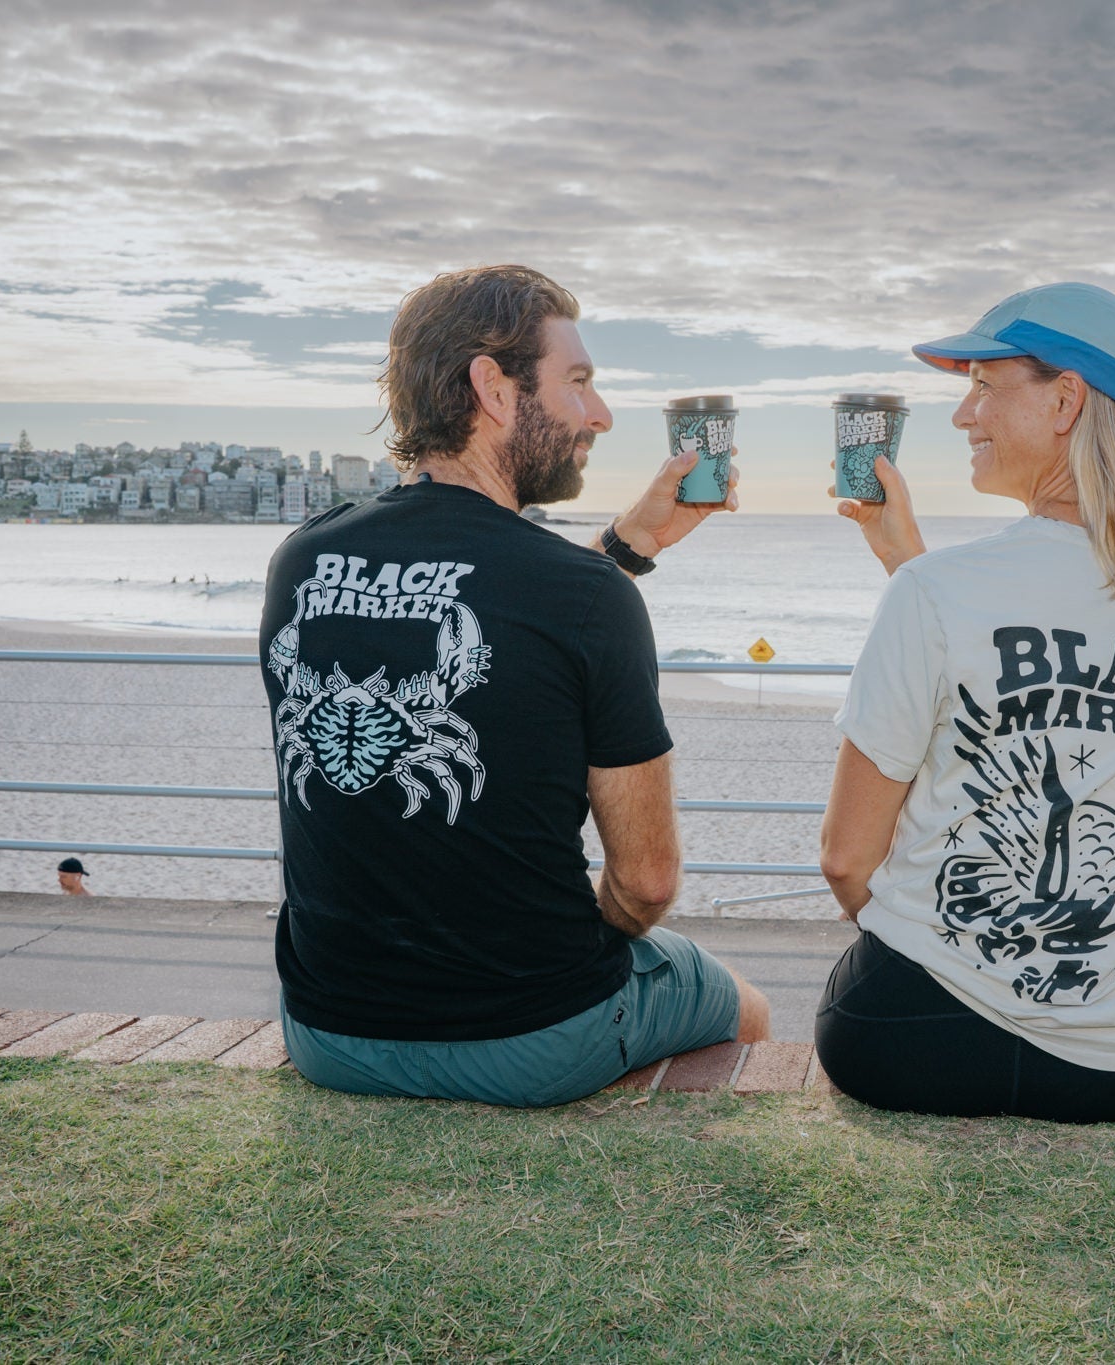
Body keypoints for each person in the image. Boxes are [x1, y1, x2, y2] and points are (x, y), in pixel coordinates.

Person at [261, 264, 769, 1108]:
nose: (599, 415)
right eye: (578, 383)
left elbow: (501, 617)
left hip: (326, 1031)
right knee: (743, 1003)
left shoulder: (300, 559)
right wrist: (566, 936)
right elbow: (646, 882)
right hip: (533, 1039)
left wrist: (627, 545)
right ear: (493, 389)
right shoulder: (582, 593)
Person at [814, 282, 1115, 1122]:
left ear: (1066, 399)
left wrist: (944, 955)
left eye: (982, 385)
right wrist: (905, 558)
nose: (962, 415)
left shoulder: (939, 593)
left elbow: (845, 859)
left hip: (909, 1042)